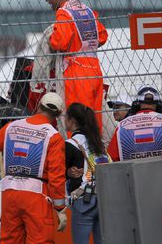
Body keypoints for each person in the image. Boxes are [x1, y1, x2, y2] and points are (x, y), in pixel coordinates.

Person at [0, 92, 68, 243]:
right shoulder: (54, 137)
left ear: (38, 106)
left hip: (10, 192)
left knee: (10, 240)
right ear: (58, 114)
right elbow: (56, 177)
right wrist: (60, 209)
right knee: (40, 240)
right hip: (37, 196)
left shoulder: (12, 126)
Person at [44, 0, 108, 130]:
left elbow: (60, 42)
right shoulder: (86, 10)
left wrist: (52, 40)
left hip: (76, 71)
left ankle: (78, 145)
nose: (47, 0)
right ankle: (94, 143)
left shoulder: (64, 13)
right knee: (94, 118)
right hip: (94, 68)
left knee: (76, 118)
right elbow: (102, 36)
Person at [65, 103, 109, 244]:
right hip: (103, 198)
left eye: (66, 117)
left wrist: (68, 173)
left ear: (72, 121)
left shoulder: (70, 144)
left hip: (84, 200)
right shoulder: (99, 143)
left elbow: (58, 172)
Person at [107, 84, 162, 162]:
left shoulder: (121, 127)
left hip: (131, 170)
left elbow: (112, 157)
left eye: (118, 107)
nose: (115, 111)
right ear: (159, 105)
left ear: (136, 104)